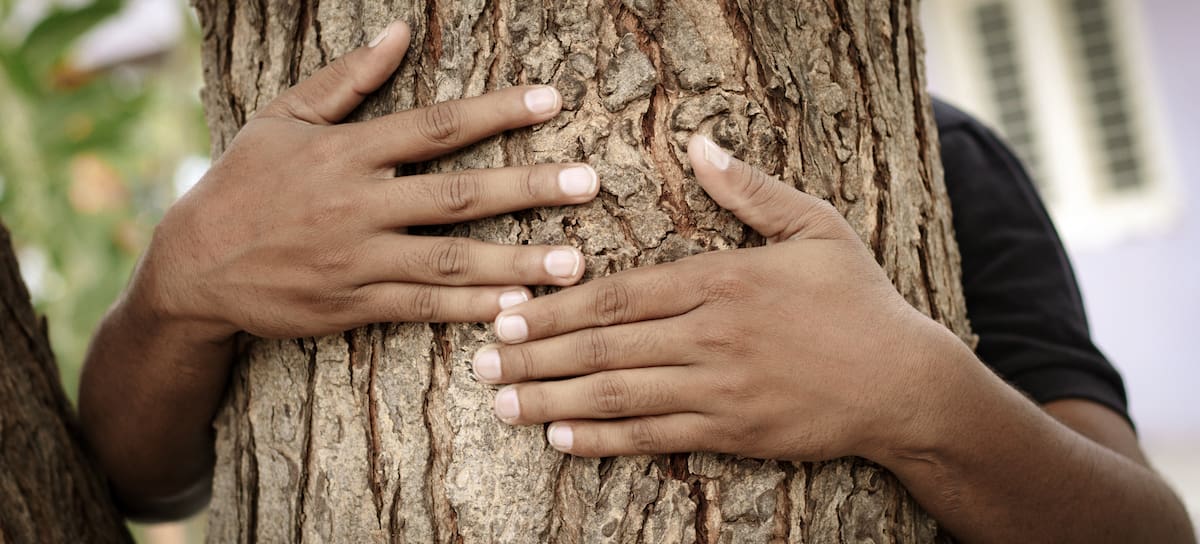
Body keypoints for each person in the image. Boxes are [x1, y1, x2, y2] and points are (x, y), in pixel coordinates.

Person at [78, 21, 1194, 542]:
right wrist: (179, 286)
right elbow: (143, 479)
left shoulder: (943, 160)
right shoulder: (307, 146)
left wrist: (919, 398)